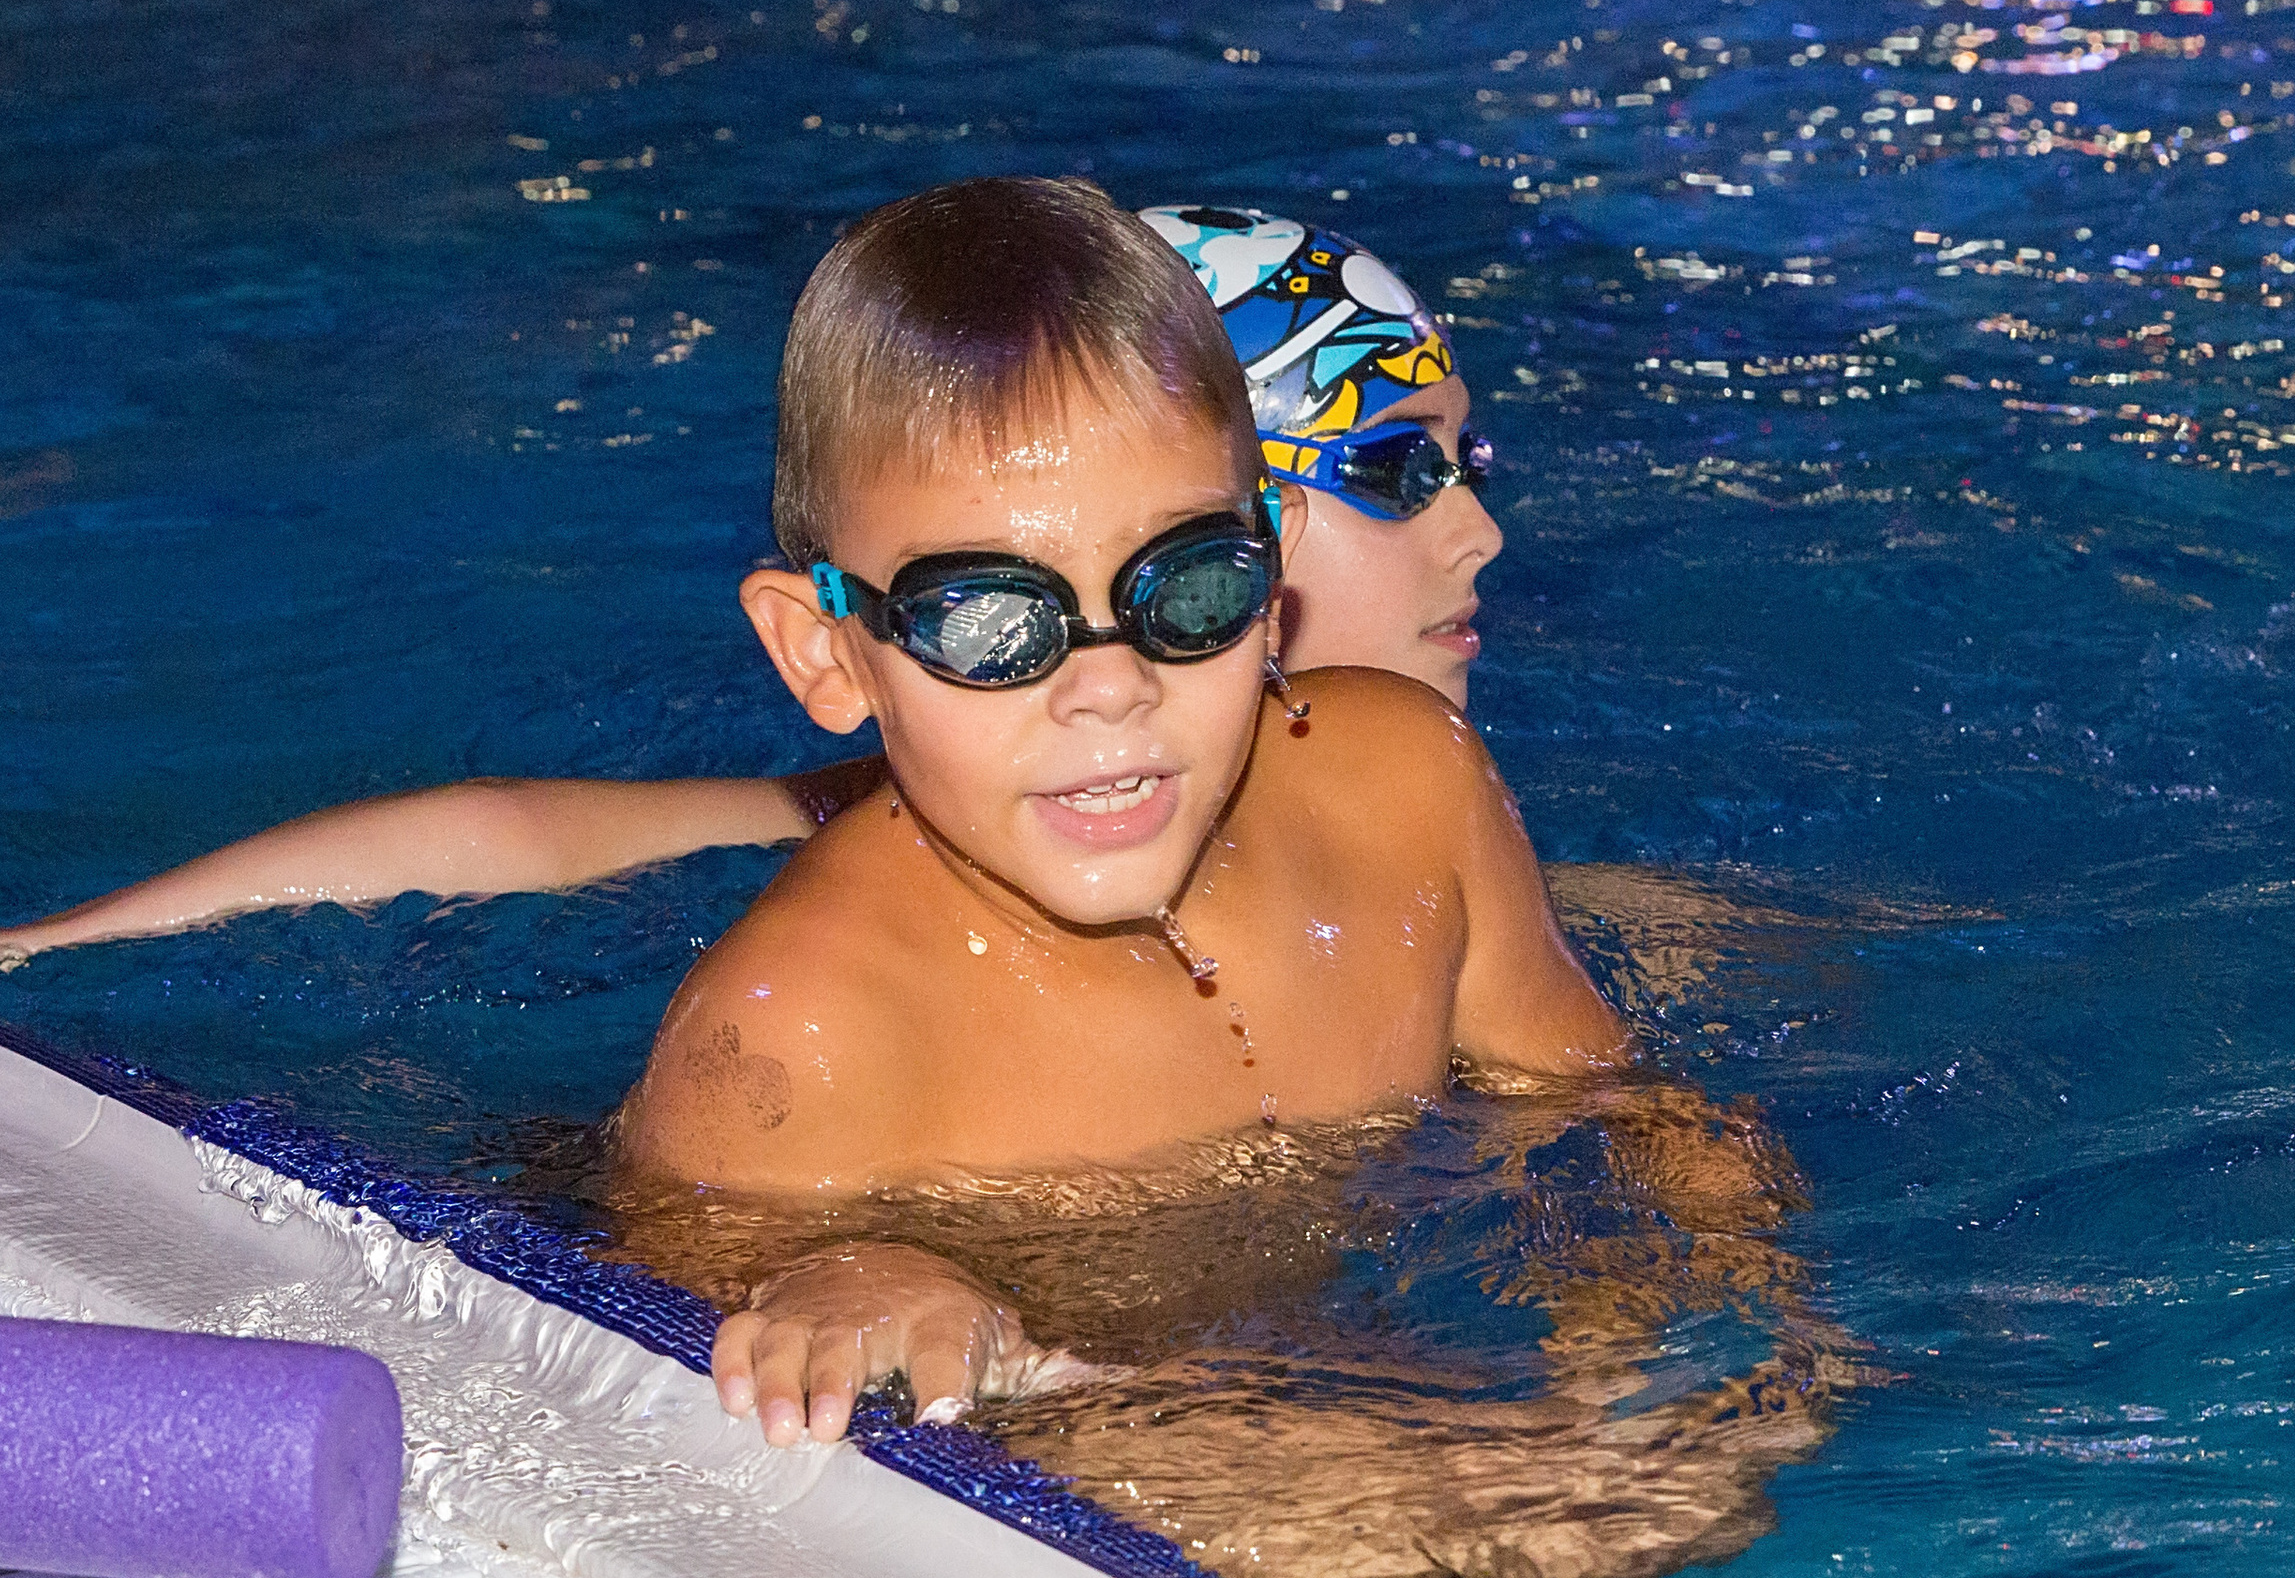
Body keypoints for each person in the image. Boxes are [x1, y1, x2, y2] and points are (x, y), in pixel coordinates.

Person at [595, 178, 1847, 1578]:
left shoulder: (1406, 786)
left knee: (1633, 1512)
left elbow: (1619, 1110)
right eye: (991, 623)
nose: (1110, 681)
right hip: (1081, 1447)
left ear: (1272, 583)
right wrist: (854, 1273)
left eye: (1186, 586)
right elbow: (654, 1389)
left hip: (1356, 1392)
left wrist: (1658, 1341)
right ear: (827, 652)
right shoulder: (801, 1031)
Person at [0, 204, 1498, 966]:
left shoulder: (1425, 821)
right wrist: (48, 953)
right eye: (1399, 471)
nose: (1481, 530)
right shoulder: (949, 830)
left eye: (1466, 458)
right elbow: (524, 835)